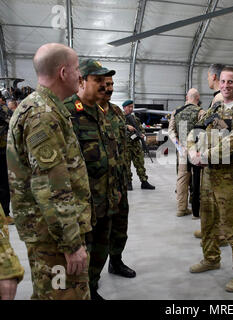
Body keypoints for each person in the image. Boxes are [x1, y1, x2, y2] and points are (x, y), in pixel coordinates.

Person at [7, 43, 92, 299]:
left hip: (49, 233)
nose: (81, 76)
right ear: (63, 72)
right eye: (77, 69)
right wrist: (71, 244)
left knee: (49, 294)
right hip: (53, 238)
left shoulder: (47, 108)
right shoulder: (42, 115)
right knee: (63, 295)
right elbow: (51, 188)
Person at [188, 67, 233, 293]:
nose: (225, 85)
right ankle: (211, 258)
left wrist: (205, 155)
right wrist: (191, 150)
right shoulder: (214, 106)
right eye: (223, 81)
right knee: (207, 219)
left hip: (228, 177)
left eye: (231, 82)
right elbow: (197, 129)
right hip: (207, 174)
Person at [64, 59, 120, 300]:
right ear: (81, 81)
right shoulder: (66, 113)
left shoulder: (103, 113)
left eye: (104, 80)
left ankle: (92, 288)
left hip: (105, 202)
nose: (103, 86)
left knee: (100, 251)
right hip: (81, 208)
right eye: (97, 80)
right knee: (80, 259)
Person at [98, 76, 136, 279]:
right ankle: (91, 280)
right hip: (96, 187)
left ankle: (116, 262)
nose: (108, 89)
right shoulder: (81, 111)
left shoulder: (116, 112)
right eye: (104, 84)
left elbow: (122, 145)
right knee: (96, 236)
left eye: (111, 85)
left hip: (119, 182)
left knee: (120, 227)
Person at [193, 63, 226, 240]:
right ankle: (211, 229)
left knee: (216, 196)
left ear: (214, 77)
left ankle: (219, 233)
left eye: (207, 75)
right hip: (211, 152)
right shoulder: (217, 97)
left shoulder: (219, 98)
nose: (207, 79)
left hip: (216, 154)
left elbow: (220, 129)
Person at [168, 88, 205, 217]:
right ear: (198, 98)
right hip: (196, 151)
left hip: (182, 151)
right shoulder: (200, 112)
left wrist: (179, 147)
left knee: (182, 179)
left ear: (186, 97)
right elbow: (203, 133)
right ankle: (196, 205)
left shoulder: (176, 112)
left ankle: (181, 208)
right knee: (198, 178)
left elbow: (171, 132)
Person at [122, 100, 155, 190]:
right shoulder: (119, 118)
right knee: (126, 165)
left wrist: (142, 134)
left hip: (136, 145)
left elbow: (140, 129)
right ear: (124, 107)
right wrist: (126, 127)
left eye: (132, 107)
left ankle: (144, 181)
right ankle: (128, 182)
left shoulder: (135, 119)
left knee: (140, 164)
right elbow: (116, 127)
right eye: (129, 107)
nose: (131, 108)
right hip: (125, 146)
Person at [0, 101, 13, 225]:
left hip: (3, 152)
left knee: (4, 184)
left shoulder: (4, 110)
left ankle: (6, 214)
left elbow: (13, 121)